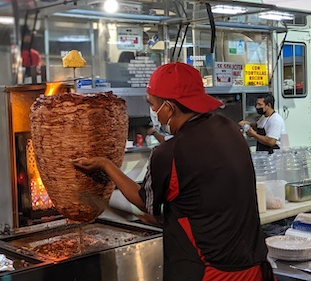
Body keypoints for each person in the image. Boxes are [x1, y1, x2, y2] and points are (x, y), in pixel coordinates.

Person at [73, 62, 273, 281]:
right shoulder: (230, 129)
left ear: (169, 107)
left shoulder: (169, 152)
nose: (154, 113)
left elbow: (144, 202)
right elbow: (205, 192)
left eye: (153, 105)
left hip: (210, 272)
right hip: (255, 267)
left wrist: (106, 165)